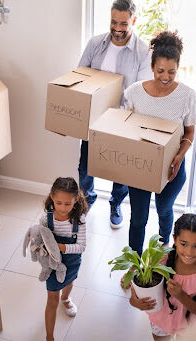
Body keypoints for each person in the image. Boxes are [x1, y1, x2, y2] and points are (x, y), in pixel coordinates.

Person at [78, 0, 153, 229]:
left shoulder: (142, 51)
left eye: (123, 23)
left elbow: (140, 92)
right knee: (86, 164)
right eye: (113, 21)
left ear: (133, 21)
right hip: (93, 118)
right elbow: (80, 76)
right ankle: (86, 200)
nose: (117, 28)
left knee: (120, 169)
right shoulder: (95, 44)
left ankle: (116, 203)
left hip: (123, 120)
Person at [124, 30, 196, 257]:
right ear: (152, 66)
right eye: (160, 71)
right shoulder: (135, 92)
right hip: (140, 168)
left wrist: (179, 155)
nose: (165, 77)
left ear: (178, 69)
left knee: (165, 210)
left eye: (172, 72)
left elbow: (190, 131)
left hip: (172, 169)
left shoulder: (187, 95)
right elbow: (124, 128)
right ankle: (133, 264)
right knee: (138, 219)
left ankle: (166, 249)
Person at [129, 214, 196, 340]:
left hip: (189, 327)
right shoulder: (160, 259)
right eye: (184, 244)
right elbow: (137, 290)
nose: (189, 252)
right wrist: (135, 302)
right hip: (160, 321)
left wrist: (181, 295)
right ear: (175, 240)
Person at [40, 177, 88, 341]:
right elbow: (40, 238)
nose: (62, 208)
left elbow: (81, 247)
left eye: (68, 204)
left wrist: (62, 247)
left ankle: (66, 298)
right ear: (52, 197)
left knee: (69, 282)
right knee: (51, 300)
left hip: (72, 261)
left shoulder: (79, 221)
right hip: (53, 264)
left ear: (76, 200)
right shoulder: (47, 218)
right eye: (59, 202)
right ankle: (49, 337)